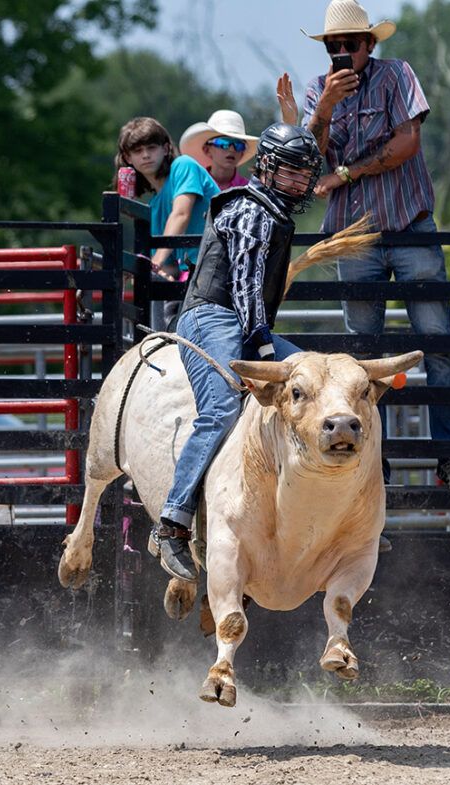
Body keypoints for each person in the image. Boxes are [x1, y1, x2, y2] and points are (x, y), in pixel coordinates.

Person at [299, 0, 450, 492]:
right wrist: (325, 109)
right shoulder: (319, 92)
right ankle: (371, 468)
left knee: (436, 345)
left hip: (409, 227)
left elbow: (407, 143)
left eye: (350, 44)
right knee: (360, 361)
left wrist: (347, 172)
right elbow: (307, 163)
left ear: (369, 44)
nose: (341, 53)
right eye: (333, 46)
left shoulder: (396, 74)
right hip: (354, 240)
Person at [152, 123, 322, 582]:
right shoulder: (251, 209)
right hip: (210, 315)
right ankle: (171, 522)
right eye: (288, 172)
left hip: (241, 319)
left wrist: (262, 339)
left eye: (303, 174)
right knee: (223, 404)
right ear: (266, 167)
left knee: (319, 381)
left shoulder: (271, 211)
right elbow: (246, 284)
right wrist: (262, 341)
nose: (297, 182)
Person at [113, 117, 220, 328]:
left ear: (165, 148)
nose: (145, 155)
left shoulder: (184, 165)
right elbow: (170, 265)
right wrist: (150, 271)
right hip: (196, 276)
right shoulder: (155, 204)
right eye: (137, 150)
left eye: (151, 148)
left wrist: (152, 264)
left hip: (219, 267)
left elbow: (181, 213)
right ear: (128, 158)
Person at [179, 110, 258, 191]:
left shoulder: (249, 191)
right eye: (224, 143)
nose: (232, 149)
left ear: (242, 153)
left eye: (238, 145)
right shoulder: (193, 184)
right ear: (207, 150)